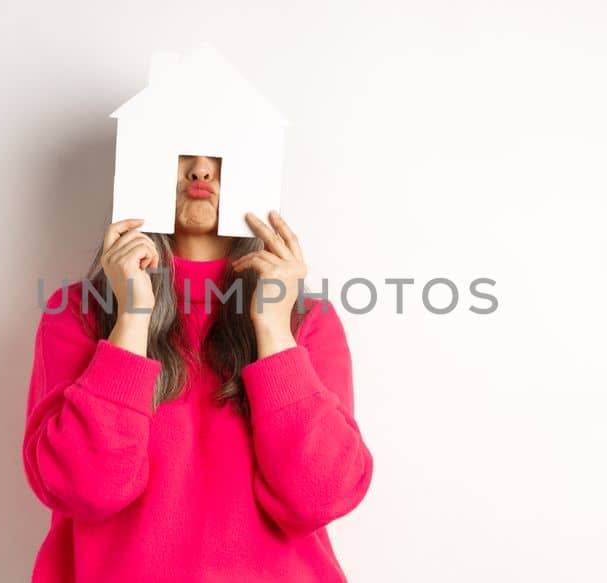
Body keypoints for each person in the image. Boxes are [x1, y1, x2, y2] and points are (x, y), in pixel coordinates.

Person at [22, 155, 375, 581]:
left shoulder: (304, 320)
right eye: (181, 151)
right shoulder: (77, 314)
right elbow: (84, 489)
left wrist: (274, 330)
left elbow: (320, 496)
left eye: (222, 153)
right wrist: (131, 318)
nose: (201, 170)